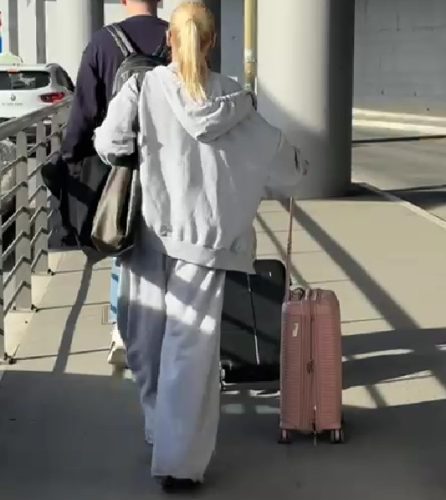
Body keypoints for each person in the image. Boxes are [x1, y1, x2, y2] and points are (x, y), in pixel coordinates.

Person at [94, 1, 306, 492]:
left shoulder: (142, 88)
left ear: (170, 39)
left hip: (148, 234)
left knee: (144, 341)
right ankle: (179, 462)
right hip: (206, 245)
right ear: (211, 42)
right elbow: (288, 168)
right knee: (191, 352)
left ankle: (158, 428)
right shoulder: (236, 99)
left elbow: (108, 145)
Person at [61, 0, 167, 367]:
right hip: (171, 164)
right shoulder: (178, 38)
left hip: (119, 164)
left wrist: (70, 154)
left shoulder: (103, 42)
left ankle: (123, 330)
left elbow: (84, 110)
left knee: (123, 240)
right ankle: (166, 326)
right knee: (167, 246)